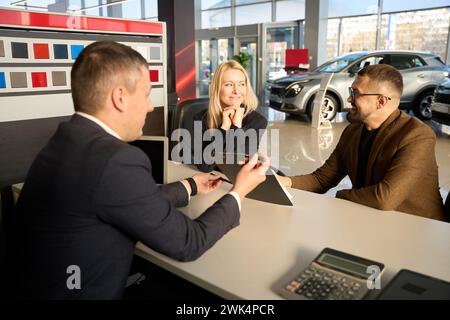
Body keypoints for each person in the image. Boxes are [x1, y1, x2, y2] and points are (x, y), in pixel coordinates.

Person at [11, 41, 270, 299]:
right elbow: (188, 242)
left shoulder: (65, 140)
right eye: (146, 95)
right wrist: (238, 192)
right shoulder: (117, 161)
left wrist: (189, 185)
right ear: (120, 97)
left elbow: (125, 200)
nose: (149, 106)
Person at [278, 64, 444, 221]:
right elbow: (322, 179)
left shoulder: (416, 135)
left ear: (381, 101)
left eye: (356, 93)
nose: (349, 98)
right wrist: (285, 182)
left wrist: (341, 195)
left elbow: (384, 198)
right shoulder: (353, 131)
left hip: (417, 228)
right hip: (371, 220)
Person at [194, 60, 268, 172]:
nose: (236, 91)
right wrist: (224, 127)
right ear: (217, 89)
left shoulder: (257, 121)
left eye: (241, 84)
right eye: (229, 84)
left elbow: (238, 167)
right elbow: (205, 166)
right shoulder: (201, 118)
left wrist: (236, 126)